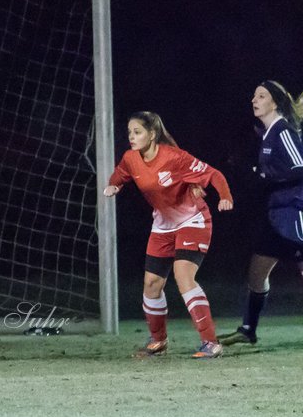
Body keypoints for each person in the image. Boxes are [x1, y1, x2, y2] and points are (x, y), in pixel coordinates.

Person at [103, 111, 233, 359]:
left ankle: (211, 342)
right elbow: (120, 173)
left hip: (193, 220)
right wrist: (114, 184)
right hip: (163, 226)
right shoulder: (131, 159)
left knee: (183, 275)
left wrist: (225, 197)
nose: (131, 137)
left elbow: (214, 174)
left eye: (137, 132)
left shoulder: (174, 157)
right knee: (151, 285)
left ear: (152, 135)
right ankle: (158, 341)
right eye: (129, 132)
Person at [219, 81, 303, 346]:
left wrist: (263, 175)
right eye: (254, 95)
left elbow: (299, 167)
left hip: (294, 213)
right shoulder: (267, 134)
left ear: (275, 102)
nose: (254, 99)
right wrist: (253, 172)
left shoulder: (283, 132)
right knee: (256, 274)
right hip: (276, 217)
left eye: (262, 96)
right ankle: (248, 330)